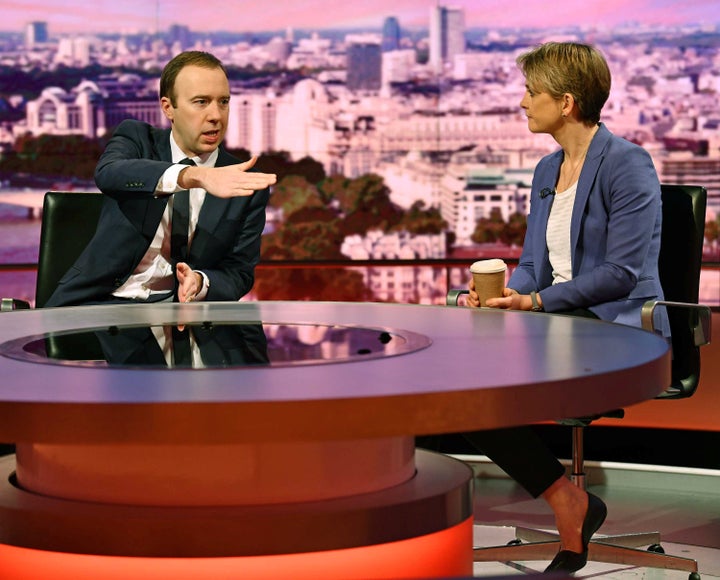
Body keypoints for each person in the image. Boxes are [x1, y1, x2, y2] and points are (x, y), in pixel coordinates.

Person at [464, 42, 668, 574]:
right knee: (460, 384)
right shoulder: (547, 169)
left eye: (532, 93)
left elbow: (621, 274)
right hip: (558, 323)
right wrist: (507, 298)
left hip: (620, 328)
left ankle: (570, 507)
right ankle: (569, 499)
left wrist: (534, 303)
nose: (523, 103)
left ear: (568, 101)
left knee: (478, 379)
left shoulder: (629, 164)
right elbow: (534, 262)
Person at [45, 50, 277, 307]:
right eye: (201, 102)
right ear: (168, 108)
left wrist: (200, 282)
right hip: (99, 305)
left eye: (223, 102)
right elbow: (109, 172)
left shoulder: (243, 181)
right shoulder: (136, 139)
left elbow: (239, 273)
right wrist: (193, 176)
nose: (216, 115)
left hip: (182, 318)